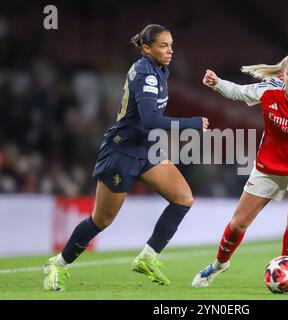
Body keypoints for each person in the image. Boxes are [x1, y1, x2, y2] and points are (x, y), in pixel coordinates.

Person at [43, 24, 209, 290]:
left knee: (183, 198)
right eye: (163, 45)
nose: (170, 51)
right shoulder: (147, 73)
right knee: (102, 220)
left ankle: (148, 257)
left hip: (144, 149)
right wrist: (191, 124)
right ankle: (59, 264)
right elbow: (149, 120)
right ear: (146, 48)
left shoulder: (159, 70)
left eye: (171, 45)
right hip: (122, 151)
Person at [192, 50, 288, 287]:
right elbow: (239, 92)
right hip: (269, 166)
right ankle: (218, 266)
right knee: (237, 224)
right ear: (283, 75)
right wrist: (217, 83)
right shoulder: (269, 89)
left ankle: (287, 271)